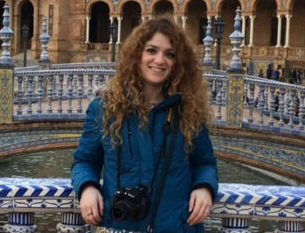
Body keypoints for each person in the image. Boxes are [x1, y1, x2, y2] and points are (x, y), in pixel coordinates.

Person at [72, 18, 218, 232]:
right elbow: (84, 161)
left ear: (178, 62)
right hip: (121, 225)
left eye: (169, 54)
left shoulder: (188, 110)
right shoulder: (104, 108)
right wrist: (87, 187)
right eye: (152, 50)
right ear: (136, 54)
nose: (160, 60)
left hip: (174, 226)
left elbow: (205, 163)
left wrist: (204, 187)